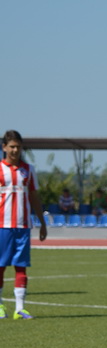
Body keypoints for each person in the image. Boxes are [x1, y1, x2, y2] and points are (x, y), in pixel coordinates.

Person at [0, 130, 48, 320]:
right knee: (0, 266)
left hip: (23, 225)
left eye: (18, 147)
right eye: (12, 146)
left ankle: (20, 308)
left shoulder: (28, 169)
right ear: (4, 147)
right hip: (2, 225)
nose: (15, 150)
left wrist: (42, 223)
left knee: (21, 266)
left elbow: (34, 197)